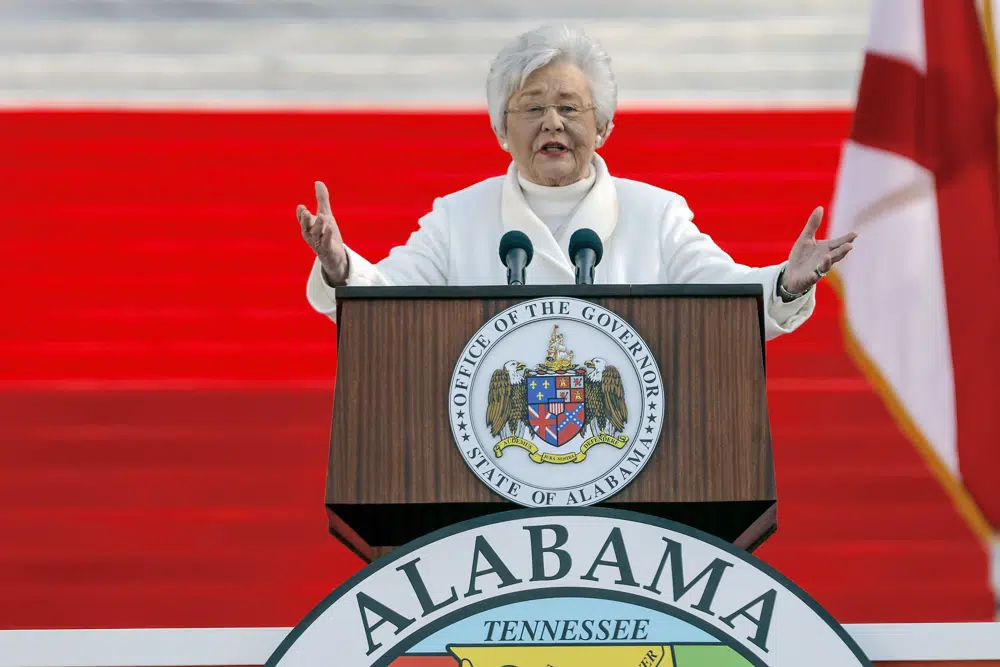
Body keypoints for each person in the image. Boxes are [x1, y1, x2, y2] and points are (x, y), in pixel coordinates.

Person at [297, 25, 856, 340]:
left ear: (604, 125)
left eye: (569, 107)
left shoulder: (654, 215)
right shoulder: (457, 217)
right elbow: (387, 297)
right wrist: (340, 265)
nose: (552, 123)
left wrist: (786, 282)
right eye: (532, 108)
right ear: (500, 130)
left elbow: (725, 298)